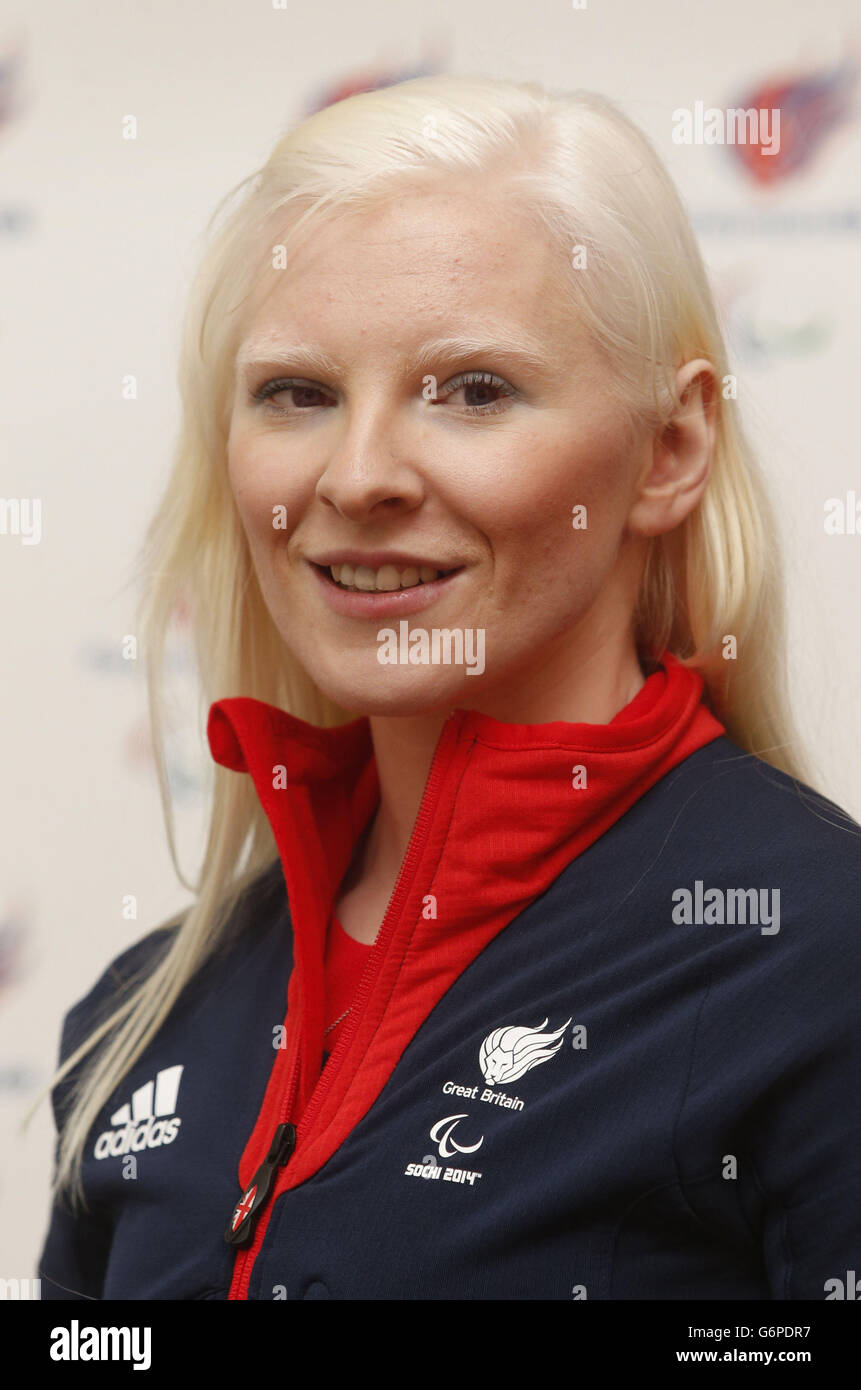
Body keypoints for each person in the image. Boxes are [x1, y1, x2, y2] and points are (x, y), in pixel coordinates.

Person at [34, 73, 861, 1301]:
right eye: (299, 394)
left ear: (670, 449)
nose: (359, 475)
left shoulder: (816, 959)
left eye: (474, 390)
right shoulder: (141, 1017)